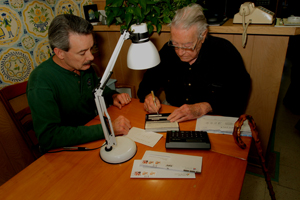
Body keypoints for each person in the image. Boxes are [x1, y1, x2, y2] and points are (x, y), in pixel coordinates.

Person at [27, 14, 132, 153]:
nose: (91, 57)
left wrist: (113, 96)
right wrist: (106, 128)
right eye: (82, 52)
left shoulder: (84, 68)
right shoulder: (40, 82)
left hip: (94, 136)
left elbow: (98, 90)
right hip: (65, 151)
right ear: (60, 53)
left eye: (91, 48)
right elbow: (49, 137)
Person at [137, 3, 250, 122]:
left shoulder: (225, 52)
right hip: (173, 113)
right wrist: (149, 97)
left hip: (213, 117)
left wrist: (204, 107)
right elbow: (147, 84)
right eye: (175, 44)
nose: (180, 52)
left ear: (203, 35)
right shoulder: (168, 51)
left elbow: (238, 97)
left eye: (187, 45)